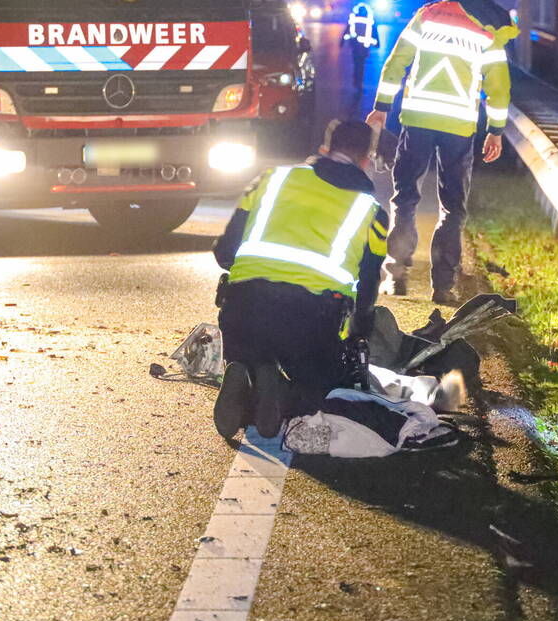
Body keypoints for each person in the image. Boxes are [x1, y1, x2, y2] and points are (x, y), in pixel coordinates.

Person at [212, 119, 389, 440]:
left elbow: (224, 251)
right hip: (310, 320)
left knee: (251, 339)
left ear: (324, 149)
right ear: (367, 159)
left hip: (243, 310)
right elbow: (367, 287)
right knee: (320, 388)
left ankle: (243, 366)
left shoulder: (272, 178)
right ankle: (278, 391)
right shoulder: (372, 211)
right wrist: (356, 333)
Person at [365, 0, 518, 305]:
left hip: (418, 121)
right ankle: (444, 286)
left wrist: (381, 107)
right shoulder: (489, 28)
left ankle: (395, 277)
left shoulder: (428, 14)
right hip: (459, 128)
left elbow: (397, 62)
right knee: (453, 208)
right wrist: (495, 131)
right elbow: (499, 87)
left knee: (405, 198)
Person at [342, 2, 380, 91]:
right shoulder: (369, 19)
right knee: (361, 65)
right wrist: (378, 43)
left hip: (355, 45)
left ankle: (356, 80)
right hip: (364, 46)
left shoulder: (354, 18)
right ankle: (359, 81)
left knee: (356, 64)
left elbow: (347, 30)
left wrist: (342, 42)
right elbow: (374, 32)